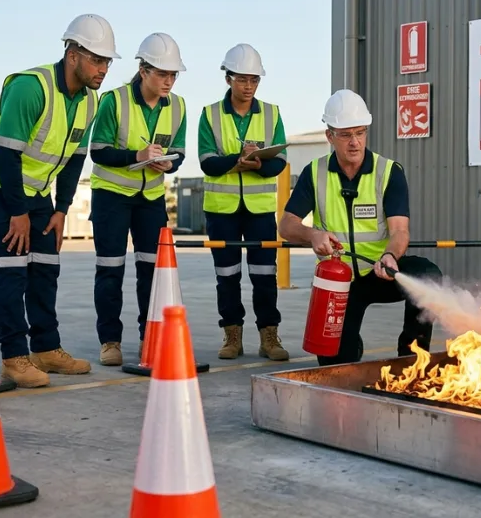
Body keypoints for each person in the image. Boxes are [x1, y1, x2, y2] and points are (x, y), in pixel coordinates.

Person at [0, 13, 120, 388]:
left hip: (36, 191)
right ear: (73, 55)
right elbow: (5, 155)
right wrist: (17, 213)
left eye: (107, 62)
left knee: (46, 265)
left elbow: (75, 159)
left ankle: (46, 349)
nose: (103, 69)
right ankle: (14, 357)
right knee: (11, 268)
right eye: (97, 60)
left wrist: (61, 209)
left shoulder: (89, 100)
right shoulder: (30, 88)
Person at [278, 89, 441, 366]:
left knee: (427, 274)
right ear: (329, 136)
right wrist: (312, 234)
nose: (355, 142)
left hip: (381, 272)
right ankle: (351, 345)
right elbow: (287, 225)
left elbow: (400, 230)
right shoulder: (314, 174)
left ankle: (412, 358)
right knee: (335, 364)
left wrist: (390, 256)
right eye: (345, 135)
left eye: (360, 132)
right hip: (340, 282)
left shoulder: (389, 172)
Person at [87, 33, 187, 366]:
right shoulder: (113, 101)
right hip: (111, 198)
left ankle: (150, 338)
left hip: (151, 199)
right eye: (162, 73)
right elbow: (98, 151)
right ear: (143, 70)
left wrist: (168, 161)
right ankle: (110, 341)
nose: (169, 81)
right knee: (110, 270)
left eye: (173, 75)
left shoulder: (179, 106)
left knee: (152, 273)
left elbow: (180, 153)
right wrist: (137, 154)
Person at [197, 43, 289, 362]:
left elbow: (280, 162)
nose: (249, 86)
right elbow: (207, 161)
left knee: (265, 276)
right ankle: (232, 335)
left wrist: (260, 164)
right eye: (242, 80)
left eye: (254, 80)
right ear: (228, 79)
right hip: (222, 212)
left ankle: (269, 336)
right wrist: (237, 160)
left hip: (260, 211)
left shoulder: (272, 113)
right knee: (227, 277)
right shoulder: (209, 114)